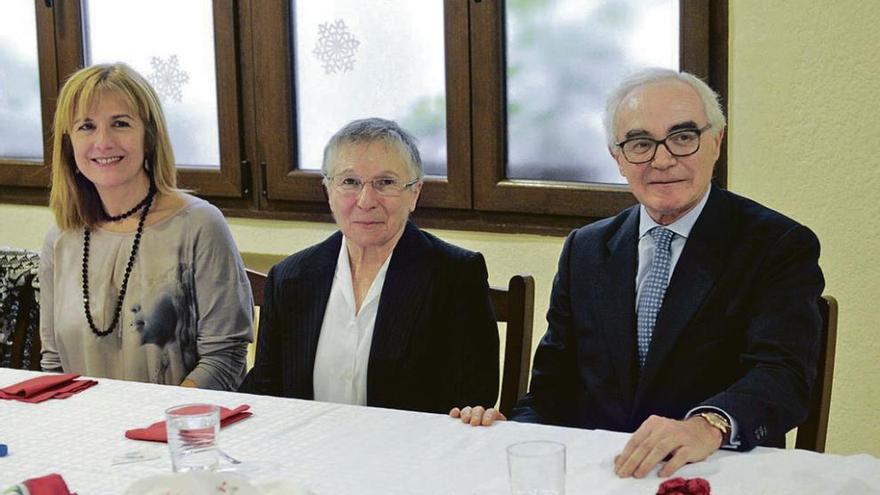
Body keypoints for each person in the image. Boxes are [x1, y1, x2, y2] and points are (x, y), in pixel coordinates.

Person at [451, 68, 824, 478]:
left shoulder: (777, 245)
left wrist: (708, 425)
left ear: (716, 142)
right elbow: (551, 389)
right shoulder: (586, 249)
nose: (662, 160)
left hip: (715, 473)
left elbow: (783, 376)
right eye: (641, 143)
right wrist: (510, 431)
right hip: (601, 474)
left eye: (683, 138)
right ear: (618, 158)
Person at [240, 118, 499, 413]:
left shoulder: (455, 275)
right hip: (309, 453)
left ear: (414, 192)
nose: (366, 200)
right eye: (350, 182)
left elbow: (473, 399)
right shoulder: (289, 278)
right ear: (328, 191)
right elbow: (265, 391)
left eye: (385, 183)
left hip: (412, 455)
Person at [39, 63, 252, 391]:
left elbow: (225, 358)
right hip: (83, 429)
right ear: (68, 144)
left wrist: (158, 422)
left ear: (149, 137)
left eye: (120, 124)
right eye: (86, 127)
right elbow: (54, 362)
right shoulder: (60, 237)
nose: (103, 142)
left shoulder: (200, 225)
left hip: (175, 428)